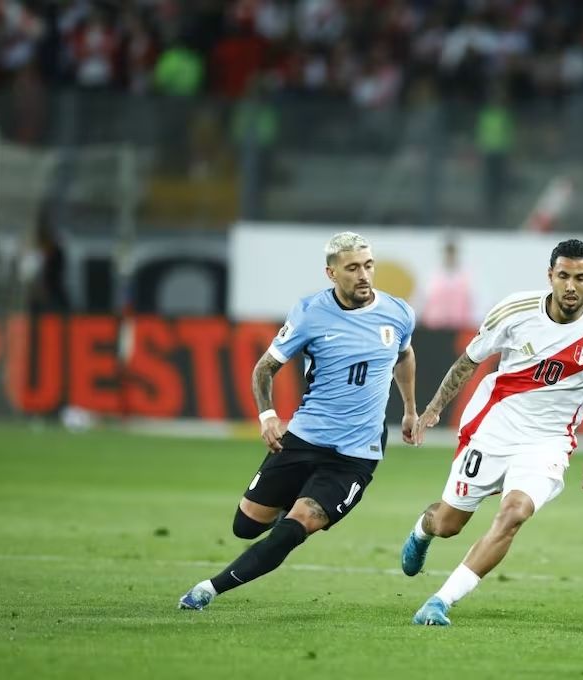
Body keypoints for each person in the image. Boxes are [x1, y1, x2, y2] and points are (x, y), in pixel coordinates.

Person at [398, 238, 583, 626]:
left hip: (548, 442)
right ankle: (421, 532)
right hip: (493, 429)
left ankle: (440, 601)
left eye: (580, 278)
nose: (571, 286)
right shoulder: (515, 312)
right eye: (563, 276)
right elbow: (469, 361)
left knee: (514, 513)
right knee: (448, 524)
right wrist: (433, 409)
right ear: (550, 276)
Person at [177, 231, 418, 610]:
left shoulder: (399, 312)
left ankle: (208, 590)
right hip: (304, 437)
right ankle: (289, 506)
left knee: (295, 528)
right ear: (331, 273)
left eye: (369, 265)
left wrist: (409, 409)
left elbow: (404, 355)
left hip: (356, 454)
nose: (364, 276)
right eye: (352, 268)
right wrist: (268, 416)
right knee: (247, 526)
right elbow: (264, 369)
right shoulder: (310, 313)